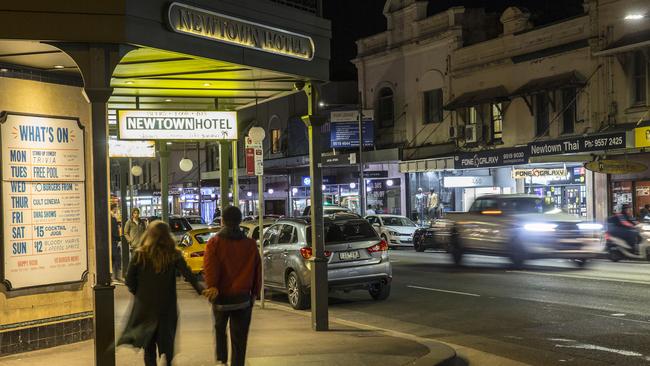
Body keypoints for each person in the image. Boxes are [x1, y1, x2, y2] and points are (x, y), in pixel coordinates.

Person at [118, 220, 204, 366]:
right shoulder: (173, 255)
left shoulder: (140, 255)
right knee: (167, 344)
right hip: (167, 307)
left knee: (149, 347)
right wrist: (200, 289)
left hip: (146, 308)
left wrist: (140, 293)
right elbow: (188, 275)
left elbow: (130, 281)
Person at [203, 206, 261, 366]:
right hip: (243, 299)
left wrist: (212, 285)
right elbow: (257, 270)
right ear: (240, 221)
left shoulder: (214, 243)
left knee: (220, 330)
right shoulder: (250, 244)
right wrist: (255, 292)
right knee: (240, 339)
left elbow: (210, 267)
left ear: (222, 221)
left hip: (221, 297)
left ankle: (222, 360)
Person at [110, 203, 122, 281]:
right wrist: (118, 239)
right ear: (113, 209)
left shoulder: (113, 217)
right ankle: (115, 276)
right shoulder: (112, 217)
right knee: (116, 257)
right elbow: (114, 230)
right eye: (116, 208)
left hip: (113, 240)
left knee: (115, 257)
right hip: (113, 240)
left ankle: (114, 276)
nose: (117, 210)